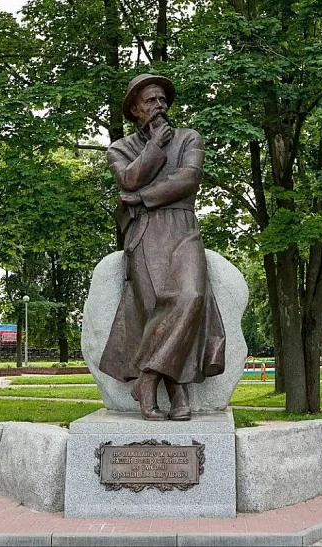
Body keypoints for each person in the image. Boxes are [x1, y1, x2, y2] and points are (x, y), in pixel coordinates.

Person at [99, 74, 226, 421]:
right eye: (151, 101)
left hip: (182, 228)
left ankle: (149, 378)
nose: (160, 106)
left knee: (190, 299)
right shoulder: (120, 149)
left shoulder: (189, 139)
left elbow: (188, 179)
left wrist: (140, 198)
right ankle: (176, 390)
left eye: (162, 99)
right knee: (154, 307)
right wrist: (154, 146)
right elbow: (127, 178)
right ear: (134, 110)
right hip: (143, 235)